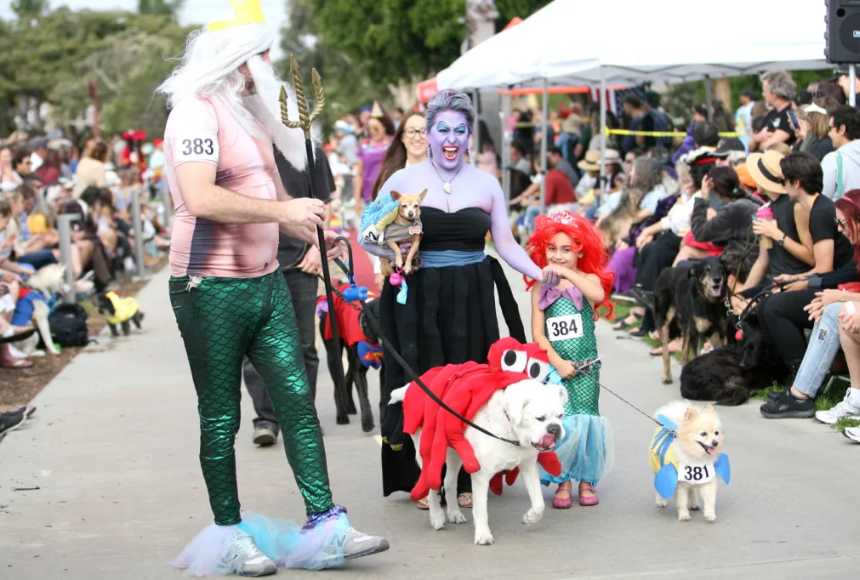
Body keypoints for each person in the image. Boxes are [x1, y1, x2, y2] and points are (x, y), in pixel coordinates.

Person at [156, 2, 387, 575]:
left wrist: (301, 222)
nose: (267, 66)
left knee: (297, 402)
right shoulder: (193, 113)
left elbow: (272, 190)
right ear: (236, 60)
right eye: (260, 56)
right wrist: (281, 212)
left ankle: (326, 524)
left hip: (266, 282)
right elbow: (199, 198)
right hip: (209, 285)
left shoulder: (249, 115)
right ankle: (230, 533)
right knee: (220, 416)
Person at [362, 90, 552, 503]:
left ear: (470, 137)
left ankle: (468, 477)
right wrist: (395, 259)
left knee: (471, 384)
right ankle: (427, 475)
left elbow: (506, 243)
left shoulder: (486, 184)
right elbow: (369, 233)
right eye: (443, 130)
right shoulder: (401, 182)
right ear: (427, 135)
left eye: (460, 131)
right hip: (418, 296)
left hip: (472, 294)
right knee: (424, 382)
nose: (451, 138)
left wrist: (543, 275)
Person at [242, 143, 335, 448]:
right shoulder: (241, 146)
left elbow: (324, 206)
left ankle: (303, 416)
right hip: (253, 263)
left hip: (299, 261)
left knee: (304, 345)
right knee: (256, 349)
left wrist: (316, 248)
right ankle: (266, 419)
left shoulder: (308, 150)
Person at [756, 154, 855, 418]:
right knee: (772, 301)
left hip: (842, 287)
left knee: (774, 307)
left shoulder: (820, 212)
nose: (782, 185)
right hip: (839, 282)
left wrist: (803, 281)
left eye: (784, 181)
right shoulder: (820, 207)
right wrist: (793, 279)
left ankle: (803, 381)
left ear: (796, 183)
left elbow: (823, 268)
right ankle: (799, 380)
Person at [527, 211, 613, 508]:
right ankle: (562, 479)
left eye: (566, 249)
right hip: (556, 368)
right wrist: (557, 363)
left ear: (579, 251)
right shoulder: (540, 286)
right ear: (543, 250)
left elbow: (598, 295)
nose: (558, 255)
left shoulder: (586, 280)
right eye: (552, 249)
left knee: (587, 419)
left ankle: (586, 480)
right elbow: (538, 334)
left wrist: (566, 273)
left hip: (586, 366)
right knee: (561, 421)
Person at [353, 104, 394, 210]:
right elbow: (359, 174)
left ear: (384, 126)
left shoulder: (394, 143)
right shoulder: (363, 145)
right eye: (370, 129)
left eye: (376, 128)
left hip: (391, 195)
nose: (373, 132)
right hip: (369, 197)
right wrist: (357, 199)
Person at [749, 71, 798, 152]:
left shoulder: (792, 114)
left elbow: (769, 146)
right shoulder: (771, 114)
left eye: (765, 91)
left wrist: (757, 139)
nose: (763, 94)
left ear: (774, 93)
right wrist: (757, 138)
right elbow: (750, 145)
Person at [822, 105, 860, 201]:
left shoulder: (833, 159)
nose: (829, 133)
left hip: (841, 214)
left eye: (830, 128)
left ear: (842, 129)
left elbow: (822, 199)